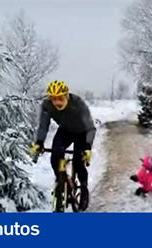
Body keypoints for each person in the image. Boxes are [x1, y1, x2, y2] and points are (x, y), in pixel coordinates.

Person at [30, 80, 96, 211]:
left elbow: (90, 128)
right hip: (65, 131)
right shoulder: (47, 105)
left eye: (60, 98)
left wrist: (87, 147)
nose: (57, 102)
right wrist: (39, 142)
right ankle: (61, 179)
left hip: (82, 132)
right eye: (53, 99)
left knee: (78, 161)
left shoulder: (78, 104)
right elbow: (43, 126)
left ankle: (83, 188)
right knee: (56, 154)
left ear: (66, 96)